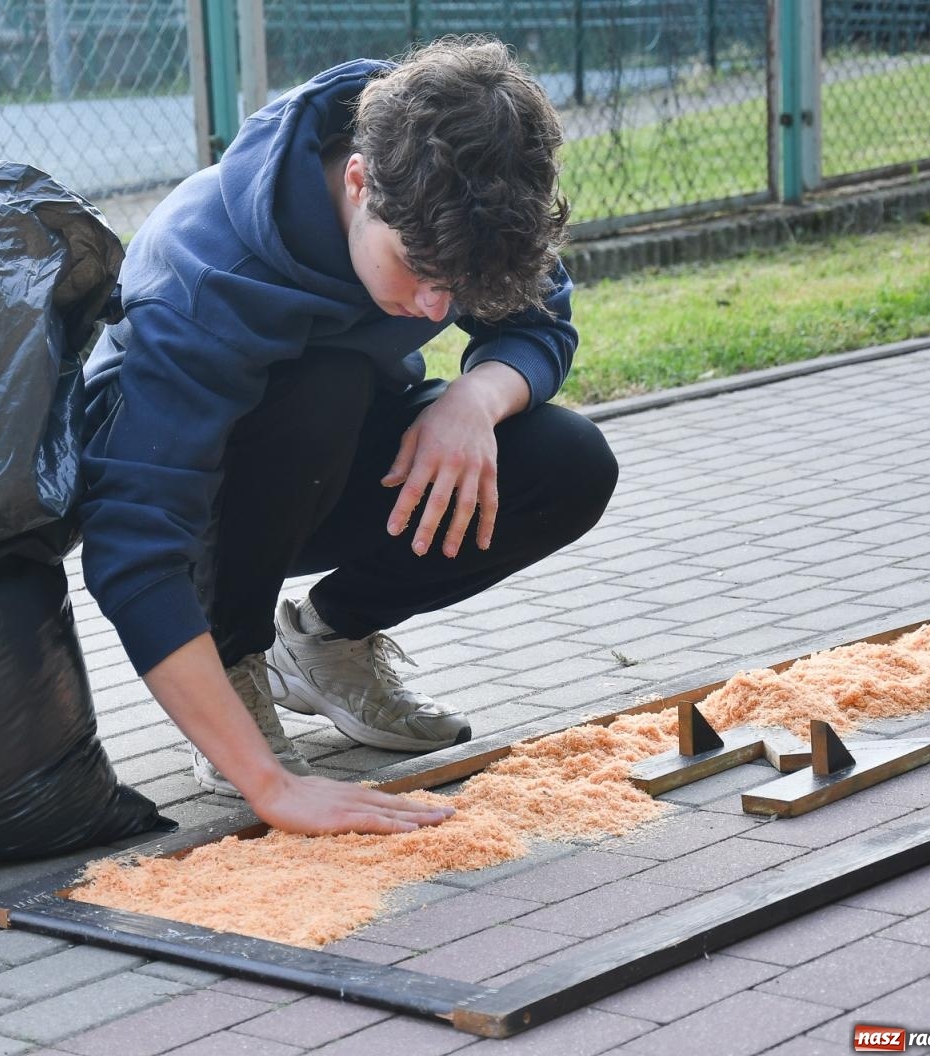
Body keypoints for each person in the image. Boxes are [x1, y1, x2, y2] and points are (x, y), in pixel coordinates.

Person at [78, 36, 618, 837]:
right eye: (418, 270)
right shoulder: (204, 282)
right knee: (319, 387)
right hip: (196, 499)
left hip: (323, 471)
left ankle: (327, 640)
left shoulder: (453, 172)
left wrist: (472, 400)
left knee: (567, 461)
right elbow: (131, 551)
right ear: (358, 184)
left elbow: (540, 326)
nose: (439, 309)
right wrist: (268, 787)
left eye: (459, 287)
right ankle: (235, 663)